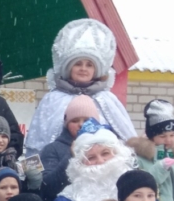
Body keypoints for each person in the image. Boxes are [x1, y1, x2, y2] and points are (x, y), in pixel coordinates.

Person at [25, 19, 136, 158]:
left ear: (95, 70)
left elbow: (124, 140)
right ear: (69, 67)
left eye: (89, 65)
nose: (83, 69)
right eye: (78, 64)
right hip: (59, 164)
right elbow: (38, 141)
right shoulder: (52, 99)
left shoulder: (107, 99)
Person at [52, 120, 137, 201]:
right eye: (91, 157)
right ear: (79, 164)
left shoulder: (138, 186)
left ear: (118, 153)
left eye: (105, 153)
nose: (100, 161)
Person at [38, 94, 100, 201]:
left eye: (86, 120)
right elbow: (47, 187)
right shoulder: (52, 149)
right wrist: (70, 157)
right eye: (75, 121)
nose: (81, 124)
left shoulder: (106, 147)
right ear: (66, 124)